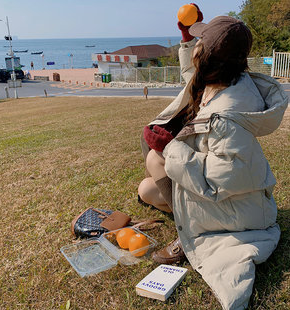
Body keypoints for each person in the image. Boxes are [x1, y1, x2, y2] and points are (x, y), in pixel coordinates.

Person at [138, 6, 288, 309]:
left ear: (208, 58)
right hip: (224, 199)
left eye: (199, 44)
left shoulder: (229, 116)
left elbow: (221, 179)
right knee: (146, 189)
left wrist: (169, 146)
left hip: (240, 213)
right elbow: (190, 74)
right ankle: (188, 217)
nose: (196, 47)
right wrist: (185, 39)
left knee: (156, 161)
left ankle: (192, 233)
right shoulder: (219, 79)